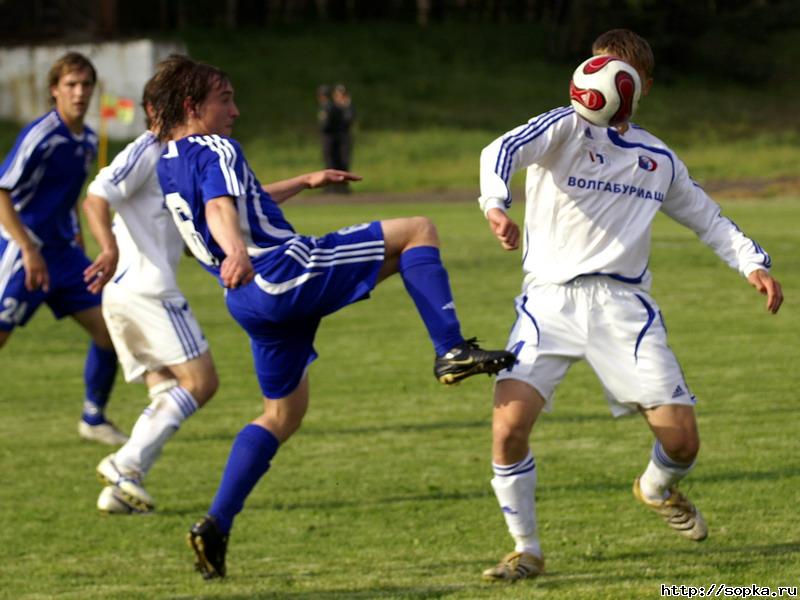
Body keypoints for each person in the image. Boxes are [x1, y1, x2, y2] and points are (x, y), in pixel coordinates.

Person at [153, 56, 515, 579]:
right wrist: (237, 249)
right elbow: (220, 209)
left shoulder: (170, 159)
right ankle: (451, 349)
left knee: (282, 414)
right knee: (417, 229)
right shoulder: (216, 146)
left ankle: (217, 523)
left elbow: (235, 200)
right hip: (282, 272)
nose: (235, 109)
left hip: (249, 303)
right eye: (225, 98)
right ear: (192, 105)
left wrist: (304, 180)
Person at [477, 28, 783, 582]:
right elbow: (502, 149)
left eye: (609, 71)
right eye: (590, 67)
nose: (591, 81)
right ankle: (526, 549)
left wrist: (751, 262)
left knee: (682, 442)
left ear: (634, 88)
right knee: (507, 429)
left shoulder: (657, 158)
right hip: (550, 301)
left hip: (623, 306)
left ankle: (655, 487)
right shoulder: (564, 127)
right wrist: (496, 205)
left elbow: (707, 216)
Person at [81, 57, 220, 513]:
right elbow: (97, 196)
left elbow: (225, 205)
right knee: (202, 382)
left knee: (165, 391)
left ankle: (119, 491)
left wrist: (302, 181)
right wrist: (108, 247)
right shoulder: (149, 148)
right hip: (147, 291)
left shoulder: (181, 159)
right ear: (188, 104)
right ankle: (125, 462)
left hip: (124, 296)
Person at [0, 52, 127, 445]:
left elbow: (69, 196)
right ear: (54, 90)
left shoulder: (88, 140)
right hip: (23, 252)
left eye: (86, 84)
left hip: (64, 254)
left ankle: (94, 416)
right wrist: (27, 248)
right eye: (71, 85)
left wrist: (77, 237)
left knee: (111, 327)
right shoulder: (42, 135)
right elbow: (2, 190)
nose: (80, 92)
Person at [317, 82, 354, 192]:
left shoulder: (344, 107)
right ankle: (333, 187)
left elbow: (347, 121)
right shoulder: (334, 107)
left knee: (342, 162)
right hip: (335, 138)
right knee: (331, 162)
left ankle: (341, 187)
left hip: (340, 138)